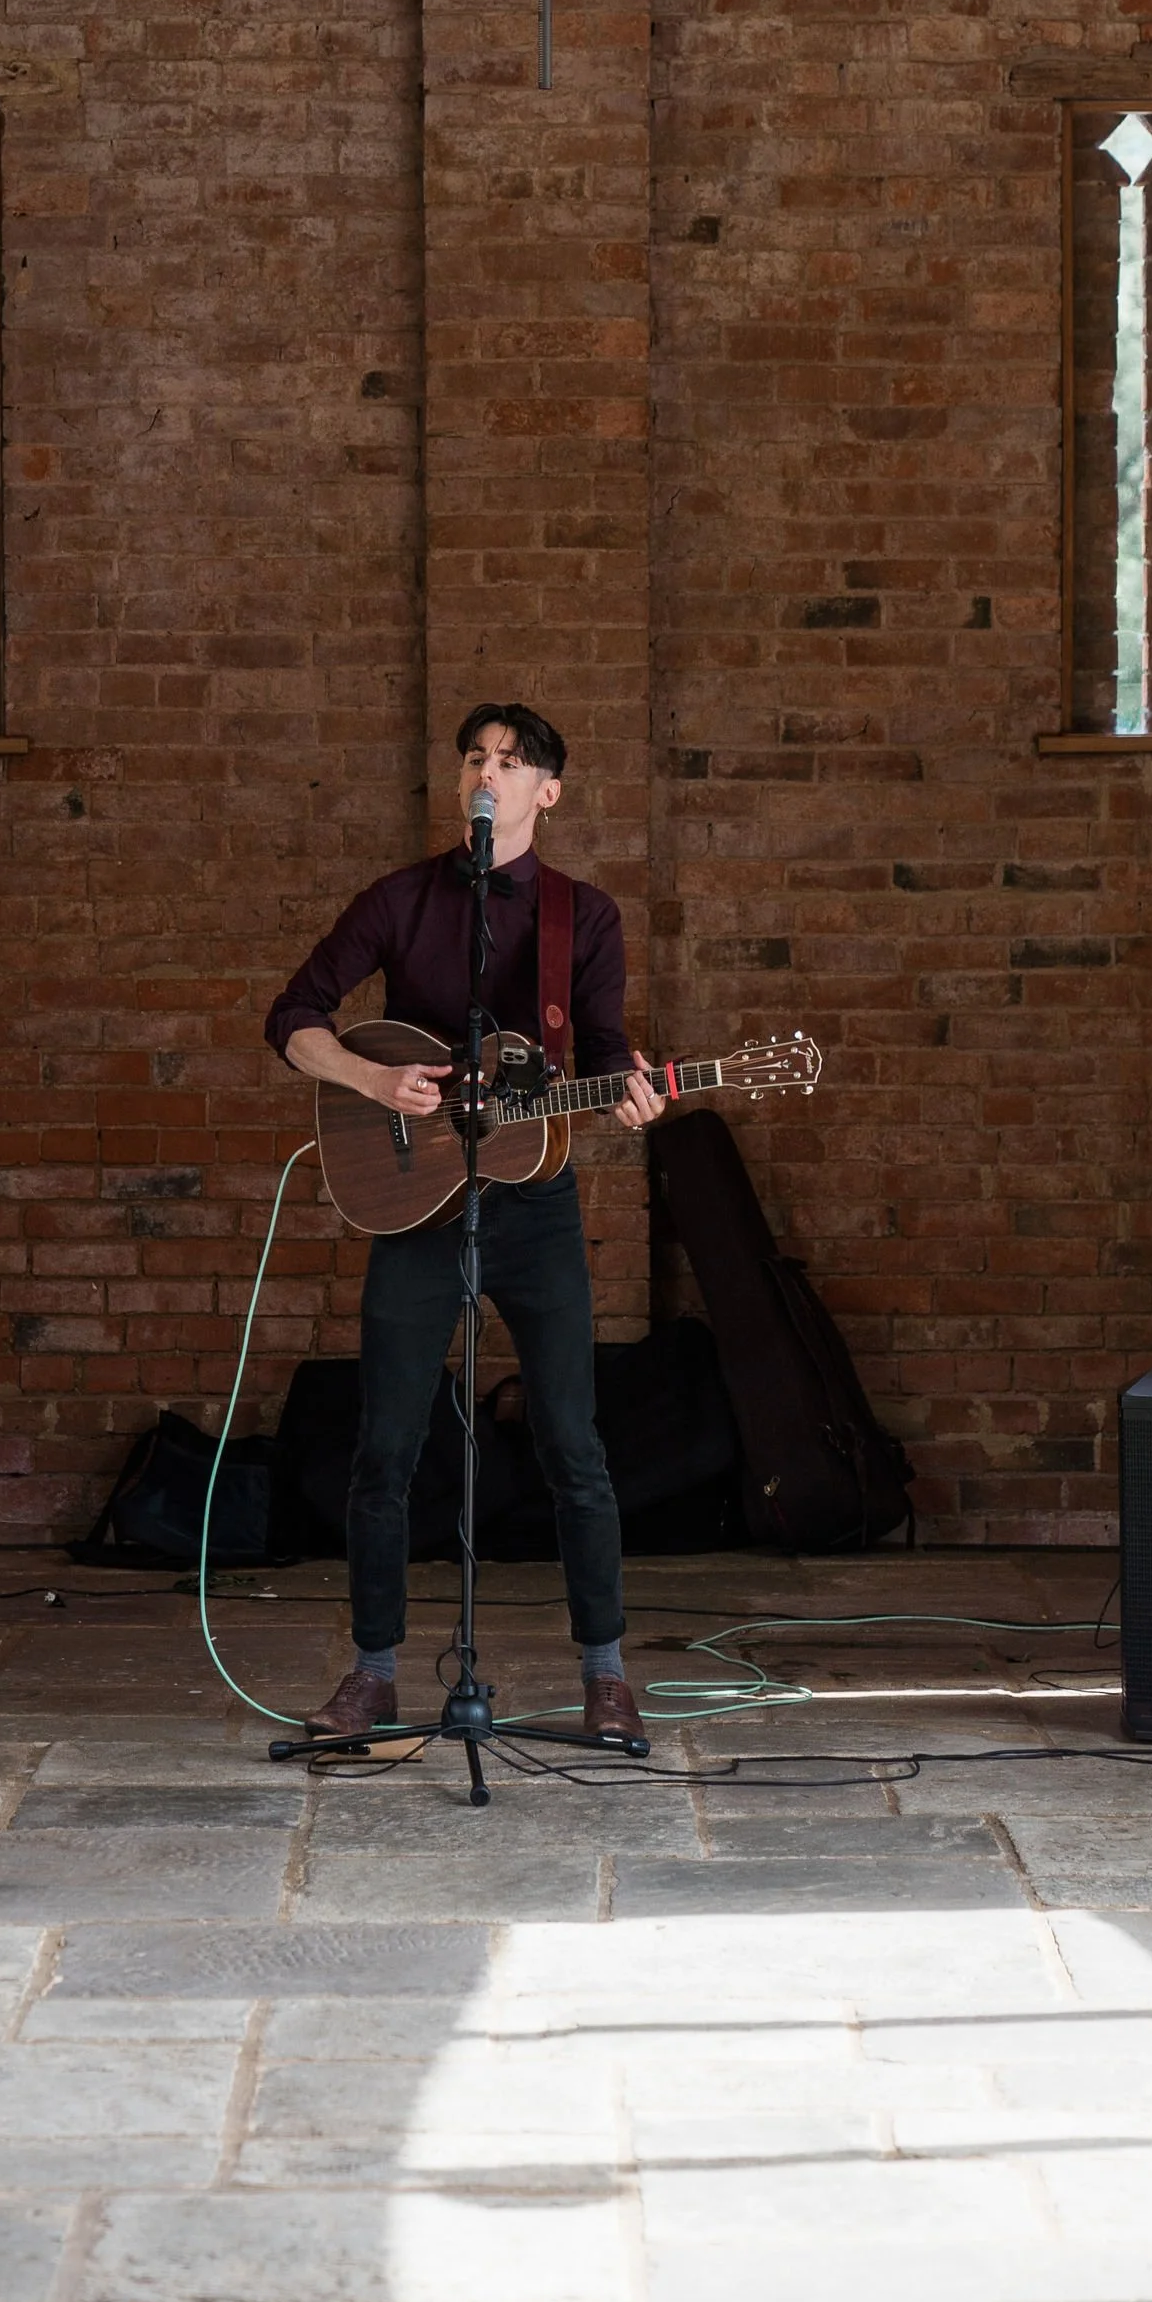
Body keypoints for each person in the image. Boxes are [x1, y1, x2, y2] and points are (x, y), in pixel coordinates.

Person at [264, 701, 664, 1744]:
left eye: (512, 762)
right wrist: (371, 1078)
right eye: (476, 758)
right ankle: (373, 1674)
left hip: (533, 1206)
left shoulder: (585, 916)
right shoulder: (398, 899)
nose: (489, 773)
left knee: (574, 1444)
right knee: (383, 1449)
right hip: (416, 1207)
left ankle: (605, 1675)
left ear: (548, 792)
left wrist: (631, 1088)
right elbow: (293, 1018)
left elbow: (604, 1048)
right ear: (459, 781)